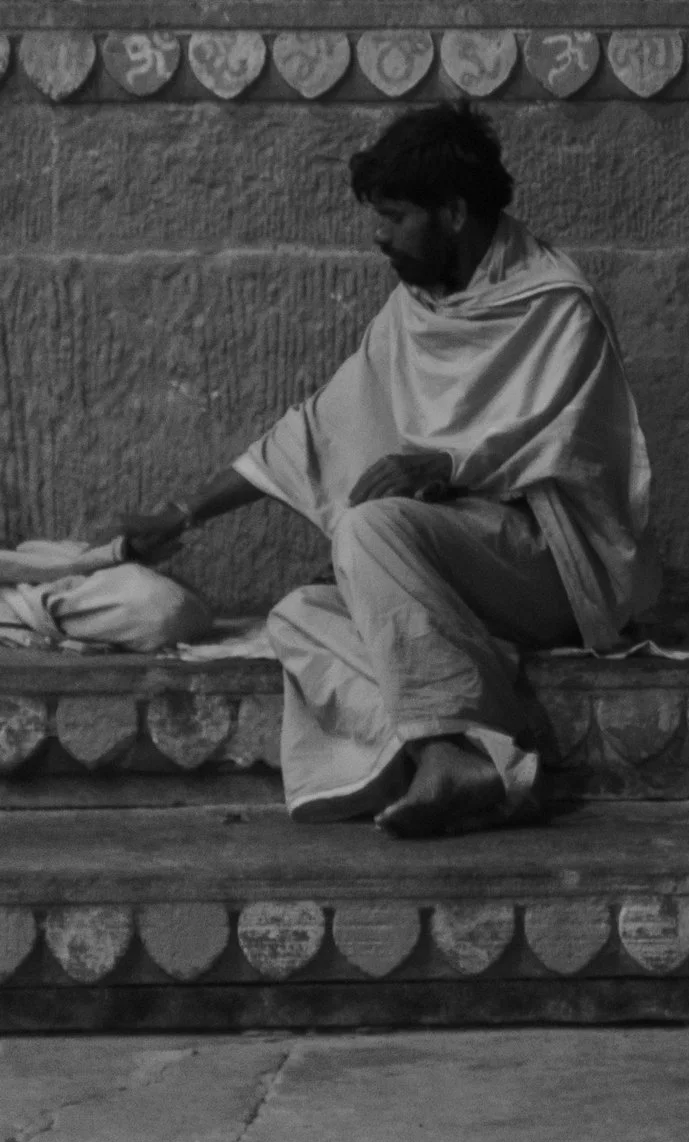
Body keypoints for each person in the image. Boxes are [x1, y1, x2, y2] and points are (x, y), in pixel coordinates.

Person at [99, 103, 658, 837]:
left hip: (552, 567)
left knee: (367, 530)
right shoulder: (413, 310)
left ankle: (443, 745)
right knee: (298, 615)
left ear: (454, 212)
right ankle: (460, 753)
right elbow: (312, 431)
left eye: (395, 216)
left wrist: (445, 461)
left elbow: (578, 453)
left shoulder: (557, 304)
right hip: (456, 568)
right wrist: (183, 515)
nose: (379, 235)